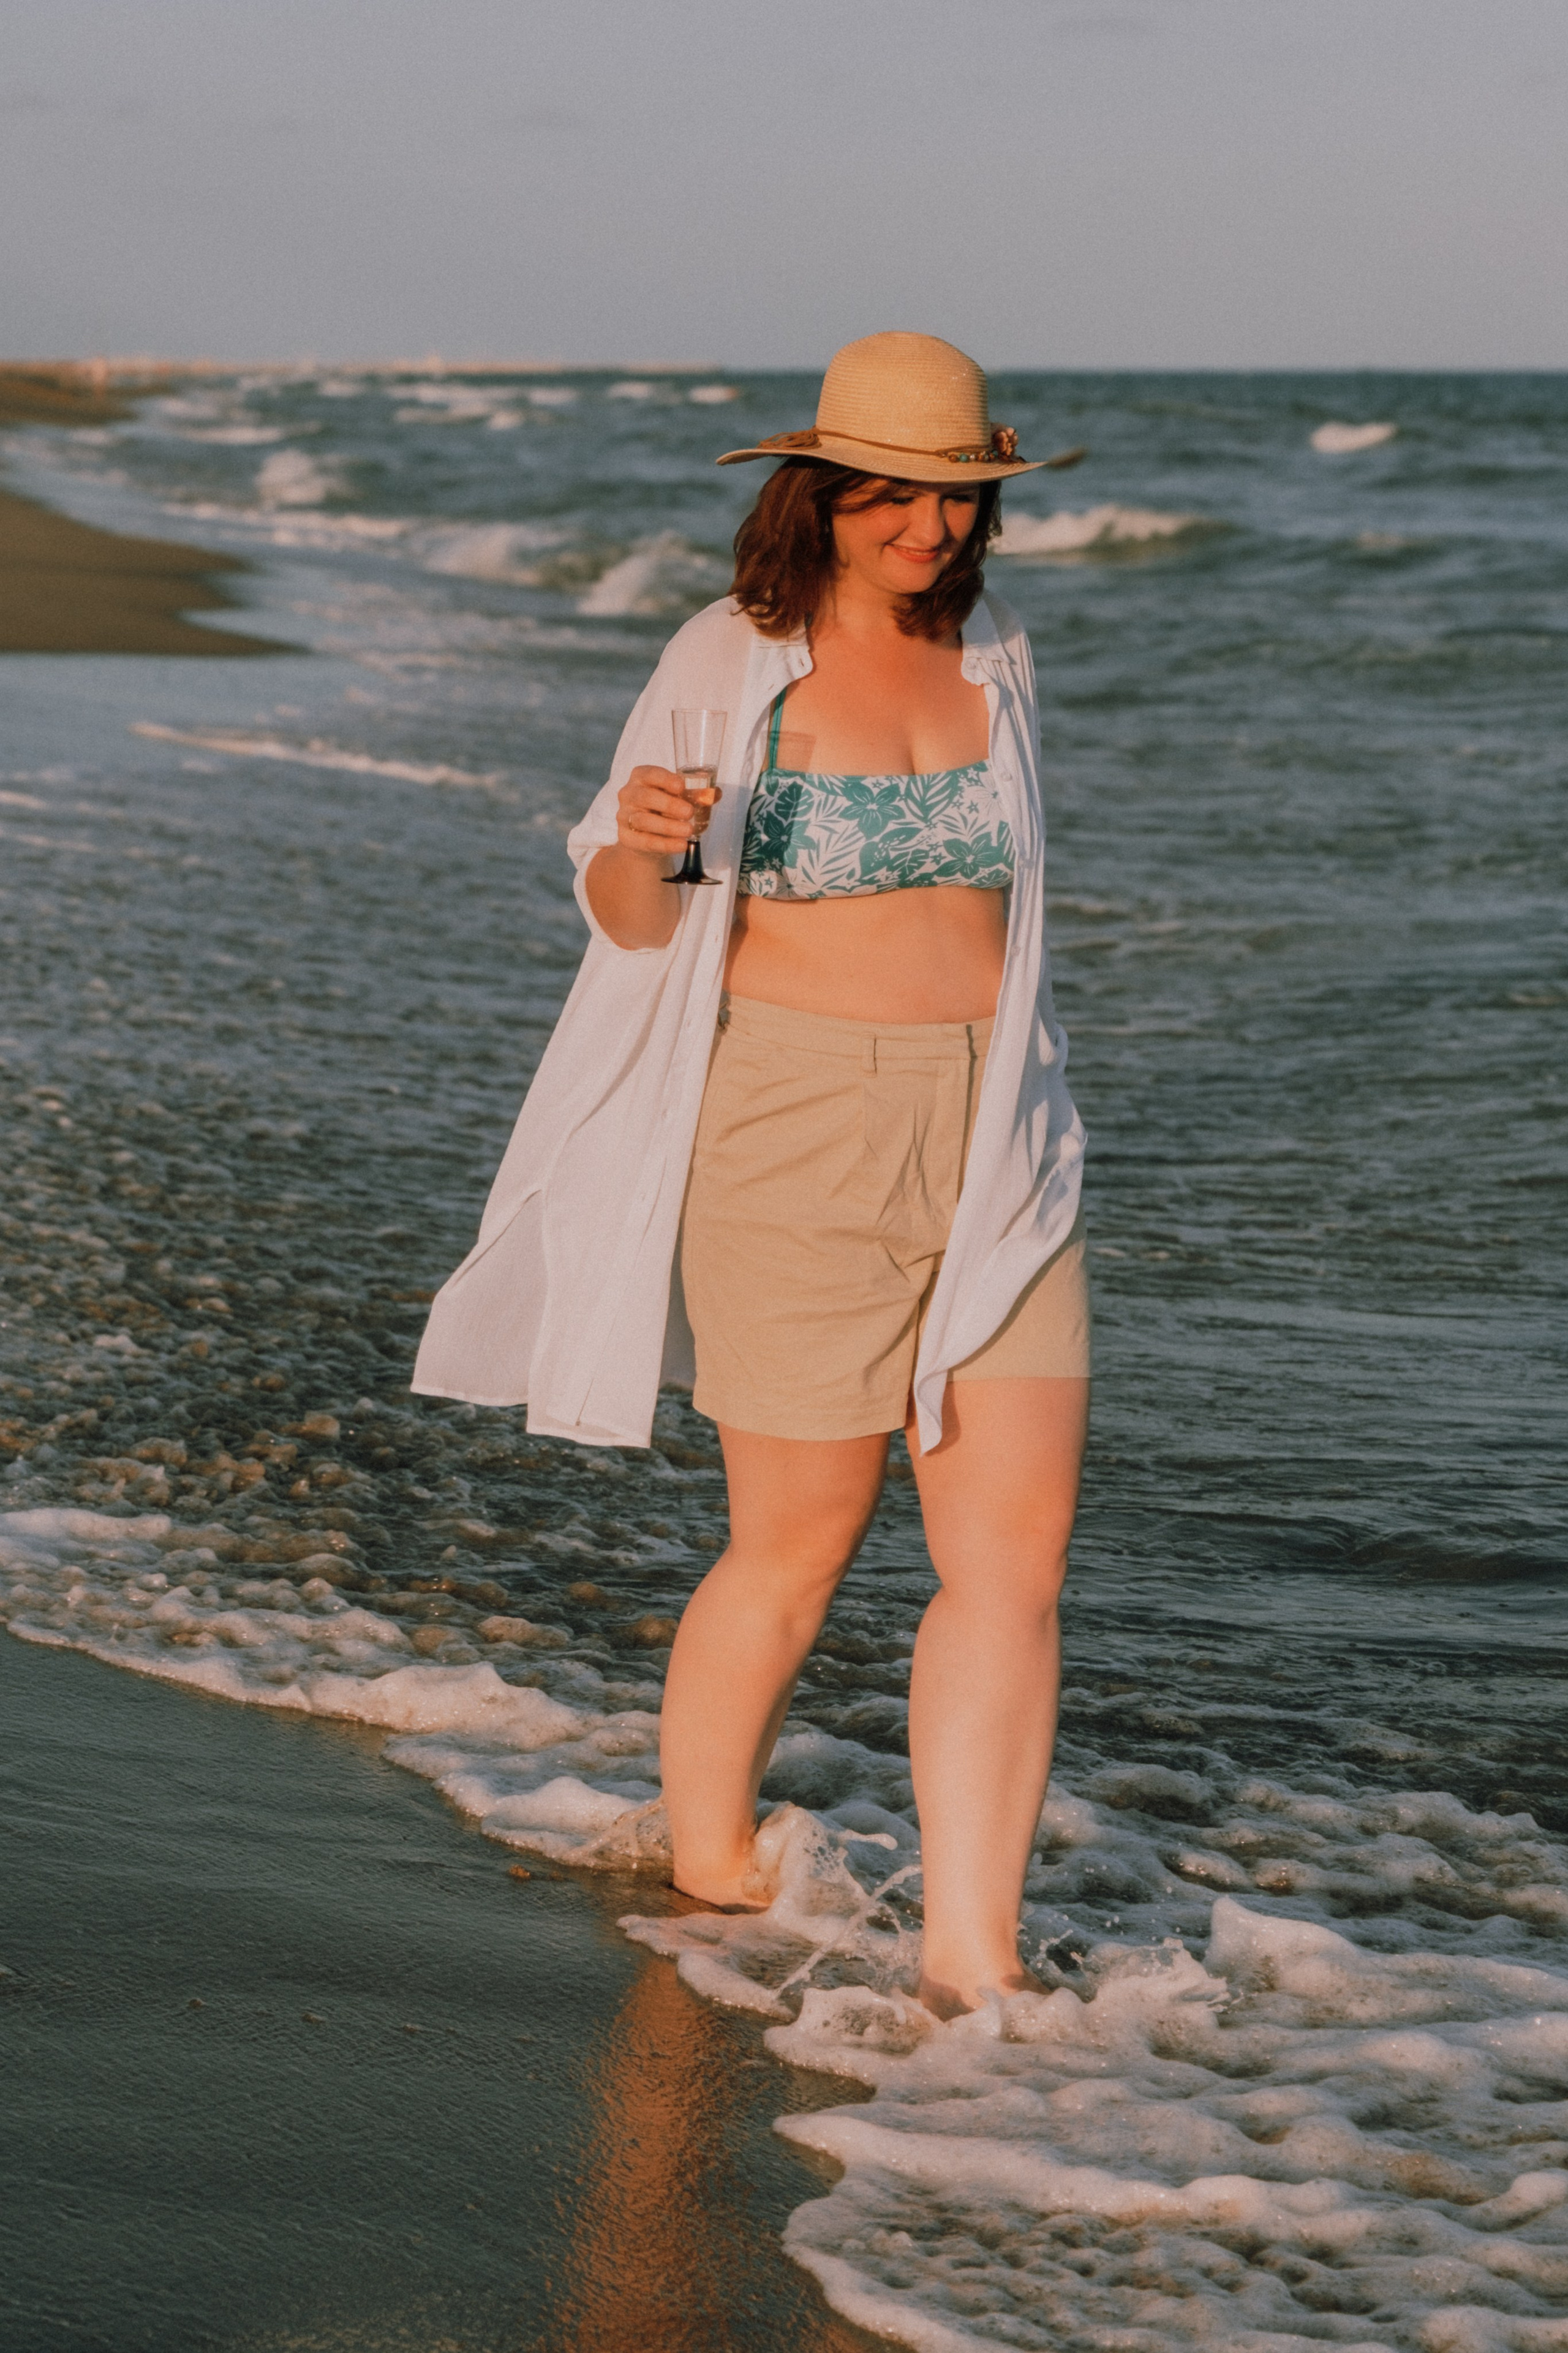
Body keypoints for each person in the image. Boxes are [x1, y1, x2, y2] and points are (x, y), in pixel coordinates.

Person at [413, 332, 1088, 2017]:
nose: (931, 527)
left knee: (1016, 1558)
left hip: (1000, 1126)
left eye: (957, 497)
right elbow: (627, 909)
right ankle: (710, 1857)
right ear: (825, 492)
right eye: (898, 495)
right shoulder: (730, 656)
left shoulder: (995, 649)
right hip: (790, 1123)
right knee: (800, 1541)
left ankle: (972, 1957)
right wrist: (643, 845)